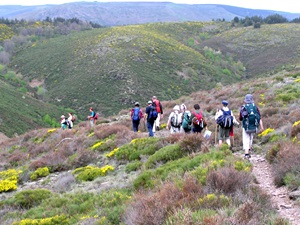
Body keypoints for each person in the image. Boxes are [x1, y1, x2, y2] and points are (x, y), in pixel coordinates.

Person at [239, 94, 264, 159]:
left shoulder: (243, 107)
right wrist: (261, 127)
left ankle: (246, 154)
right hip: (254, 126)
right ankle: (249, 151)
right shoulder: (255, 107)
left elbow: (240, 118)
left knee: (246, 139)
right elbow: (259, 117)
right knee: (250, 138)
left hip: (246, 126)